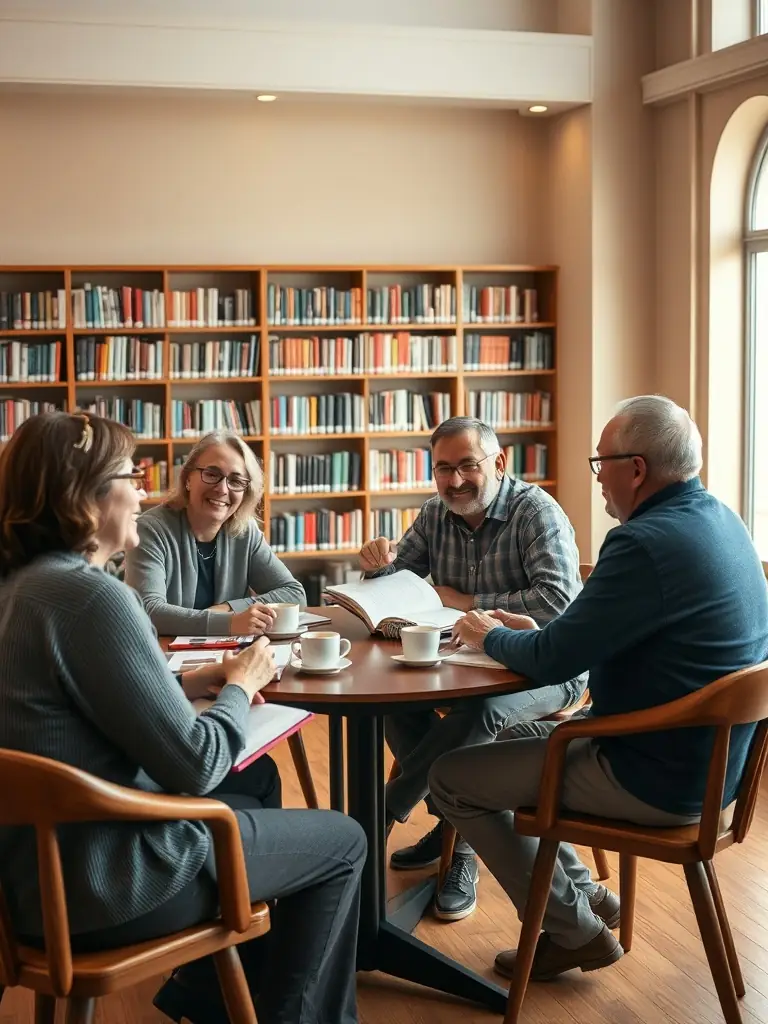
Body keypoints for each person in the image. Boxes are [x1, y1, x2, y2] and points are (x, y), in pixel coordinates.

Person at [0, 411, 365, 1024]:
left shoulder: (22, 590)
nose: (143, 490)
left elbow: (85, 705)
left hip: (25, 881)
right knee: (344, 840)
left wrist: (198, 679)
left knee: (252, 789)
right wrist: (241, 684)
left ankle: (209, 996)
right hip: (105, 885)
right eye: (130, 475)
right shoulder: (93, 597)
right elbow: (196, 764)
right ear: (83, 494)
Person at [430, 395, 768, 982]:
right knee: (505, 747)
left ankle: (572, 930)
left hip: (651, 773)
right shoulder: (720, 519)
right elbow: (584, 636)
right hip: (716, 769)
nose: (598, 478)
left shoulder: (641, 542)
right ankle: (588, 896)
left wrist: (487, 635)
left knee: (452, 780)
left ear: (636, 469)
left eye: (601, 462)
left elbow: (555, 663)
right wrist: (533, 632)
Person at [358, 416, 585, 921]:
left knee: (479, 714)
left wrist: (466, 601)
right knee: (393, 702)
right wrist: (377, 566)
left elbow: (557, 602)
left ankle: (397, 821)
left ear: (498, 463)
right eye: (443, 468)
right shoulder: (435, 514)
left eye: (467, 466)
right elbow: (399, 584)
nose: (455, 481)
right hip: (469, 664)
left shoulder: (536, 512)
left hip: (548, 671)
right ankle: (455, 824)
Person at [125, 430, 305, 636]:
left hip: (229, 655)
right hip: (165, 657)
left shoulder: (245, 532)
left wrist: (230, 608)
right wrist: (229, 623)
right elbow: (147, 610)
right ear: (187, 479)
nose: (222, 489)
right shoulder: (150, 530)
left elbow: (294, 594)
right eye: (211, 474)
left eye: (236, 481)